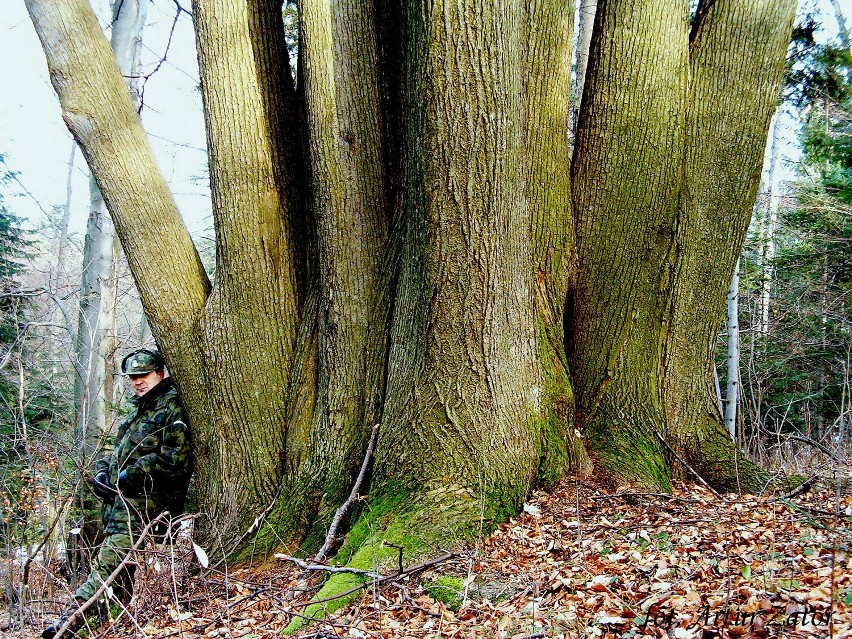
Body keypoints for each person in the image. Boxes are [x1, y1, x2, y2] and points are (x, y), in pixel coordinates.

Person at [43, 349, 192, 639]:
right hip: (118, 509)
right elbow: (117, 454)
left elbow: (176, 460)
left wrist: (133, 474)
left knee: (105, 567)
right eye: (133, 377)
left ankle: (65, 626)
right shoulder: (139, 411)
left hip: (143, 510)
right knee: (118, 579)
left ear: (160, 374)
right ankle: (99, 626)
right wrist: (102, 473)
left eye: (143, 375)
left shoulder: (170, 407)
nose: (137, 382)